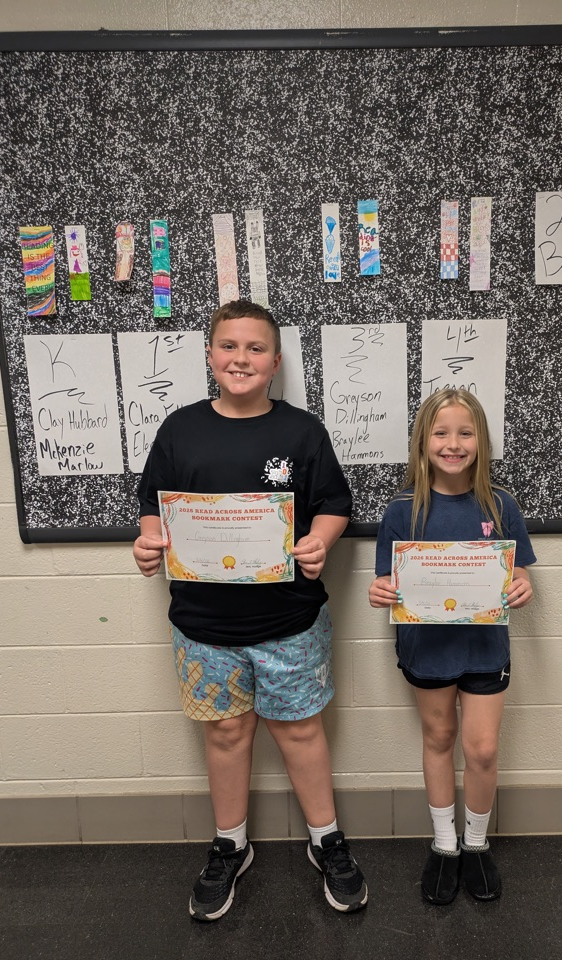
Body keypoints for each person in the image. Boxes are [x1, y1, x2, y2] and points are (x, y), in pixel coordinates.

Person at [134, 299, 367, 920]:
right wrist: (149, 539)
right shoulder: (180, 430)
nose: (241, 359)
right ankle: (230, 843)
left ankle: (326, 840)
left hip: (288, 619)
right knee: (227, 732)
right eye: (229, 346)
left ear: (275, 361)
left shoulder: (301, 432)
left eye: (255, 349)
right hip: (205, 626)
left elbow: (333, 503)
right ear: (210, 355)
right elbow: (153, 504)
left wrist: (321, 539)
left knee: (298, 730)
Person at [368, 388, 535, 905]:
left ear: (481, 441)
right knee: (439, 738)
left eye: (465, 433)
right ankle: (444, 845)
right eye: (441, 433)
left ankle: (477, 842)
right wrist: (380, 592)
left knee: (481, 748)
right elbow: (384, 581)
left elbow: (520, 570)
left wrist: (524, 586)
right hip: (428, 648)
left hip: (485, 648)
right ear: (423, 441)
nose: (453, 443)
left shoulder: (500, 504)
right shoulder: (402, 511)